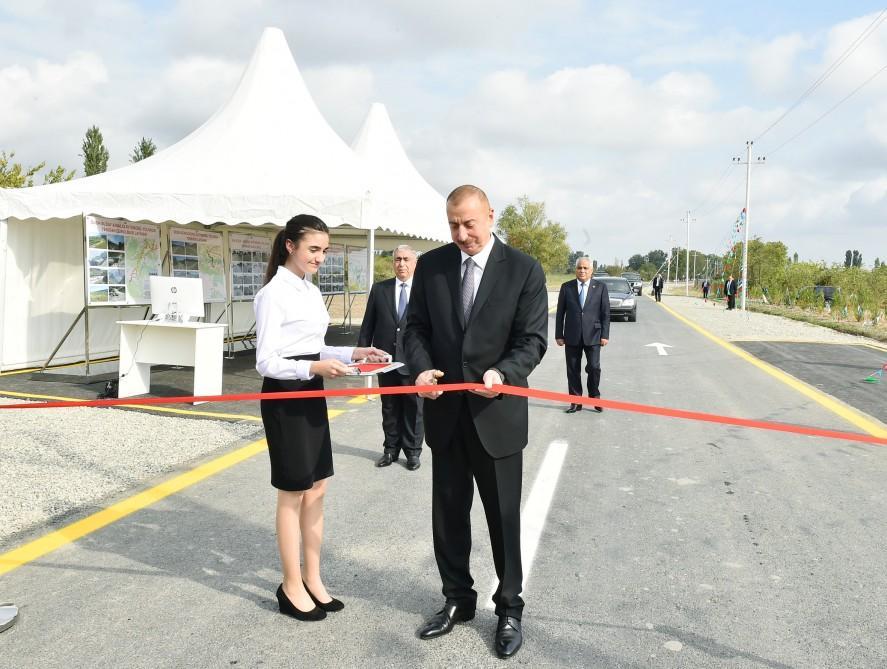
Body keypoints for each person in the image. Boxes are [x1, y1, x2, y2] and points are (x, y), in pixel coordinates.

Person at [405, 185, 548, 660]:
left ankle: (509, 609)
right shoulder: (433, 266)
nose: (461, 234)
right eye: (452, 225)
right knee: (448, 516)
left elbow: (532, 339)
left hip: (496, 416)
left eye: (469, 223)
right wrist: (421, 367)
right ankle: (457, 600)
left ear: (490, 216)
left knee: (503, 518)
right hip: (446, 414)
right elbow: (416, 330)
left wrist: (504, 373)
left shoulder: (523, 269)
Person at [254, 214, 388, 622]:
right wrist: (312, 369)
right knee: (293, 490)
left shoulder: (309, 291)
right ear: (290, 246)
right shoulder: (273, 293)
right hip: (285, 394)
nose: (320, 257)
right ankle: (290, 584)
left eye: (324, 251)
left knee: (317, 487)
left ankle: (313, 578)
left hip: (311, 391)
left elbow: (314, 345)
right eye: (314, 249)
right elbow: (266, 361)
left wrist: (352, 354)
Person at [358, 245, 424, 471]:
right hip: (385, 363)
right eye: (397, 259)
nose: (401, 264)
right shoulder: (380, 289)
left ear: (415, 263)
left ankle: (413, 452)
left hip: (414, 363)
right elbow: (367, 325)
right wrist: (361, 355)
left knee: (414, 408)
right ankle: (390, 450)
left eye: (406, 259)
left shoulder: (424, 291)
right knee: (389, 407)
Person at [555, 257, 610, 414]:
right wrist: (559, 334)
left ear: (591, 270)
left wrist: (605, 334)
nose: (582, 271)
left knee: (594, 368)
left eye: (586, 268)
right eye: (580, 268)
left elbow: (605, 313)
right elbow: (560, 313)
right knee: (572, 370)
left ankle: (594, 397)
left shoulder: (600, 287)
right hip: (572, 335)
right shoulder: (566, 287)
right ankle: (576, 401)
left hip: (594, 335)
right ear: (576, 269)